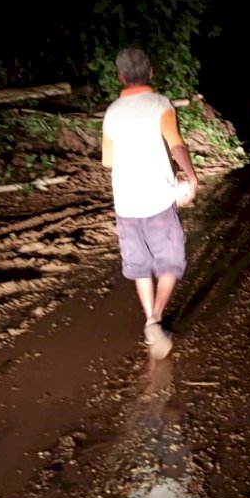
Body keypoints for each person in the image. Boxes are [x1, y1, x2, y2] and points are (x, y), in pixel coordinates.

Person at [101, 47, 199, 359]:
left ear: (120, 76)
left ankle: (149, 319)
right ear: (151, 72)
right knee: (169, 261)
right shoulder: (161, 105)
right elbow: (177, 146)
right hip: (158, 199)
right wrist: (191, 177)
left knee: (140, 265)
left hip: (126, 203)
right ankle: (156, 317)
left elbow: (108, 162)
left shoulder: (112, 112)